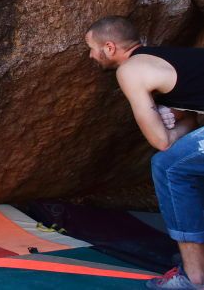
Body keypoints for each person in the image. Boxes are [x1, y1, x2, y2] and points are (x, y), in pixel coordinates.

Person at [85, 16, 204, 290]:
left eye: (92, 48)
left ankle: (194, 279)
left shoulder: (130, 70)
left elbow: (161, 142)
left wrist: (170, 127)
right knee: (185, 163)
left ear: (110, 47)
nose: (91, 55)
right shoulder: (164, 60)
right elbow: (192, 123)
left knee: (169, 166)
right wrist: (180, 117)